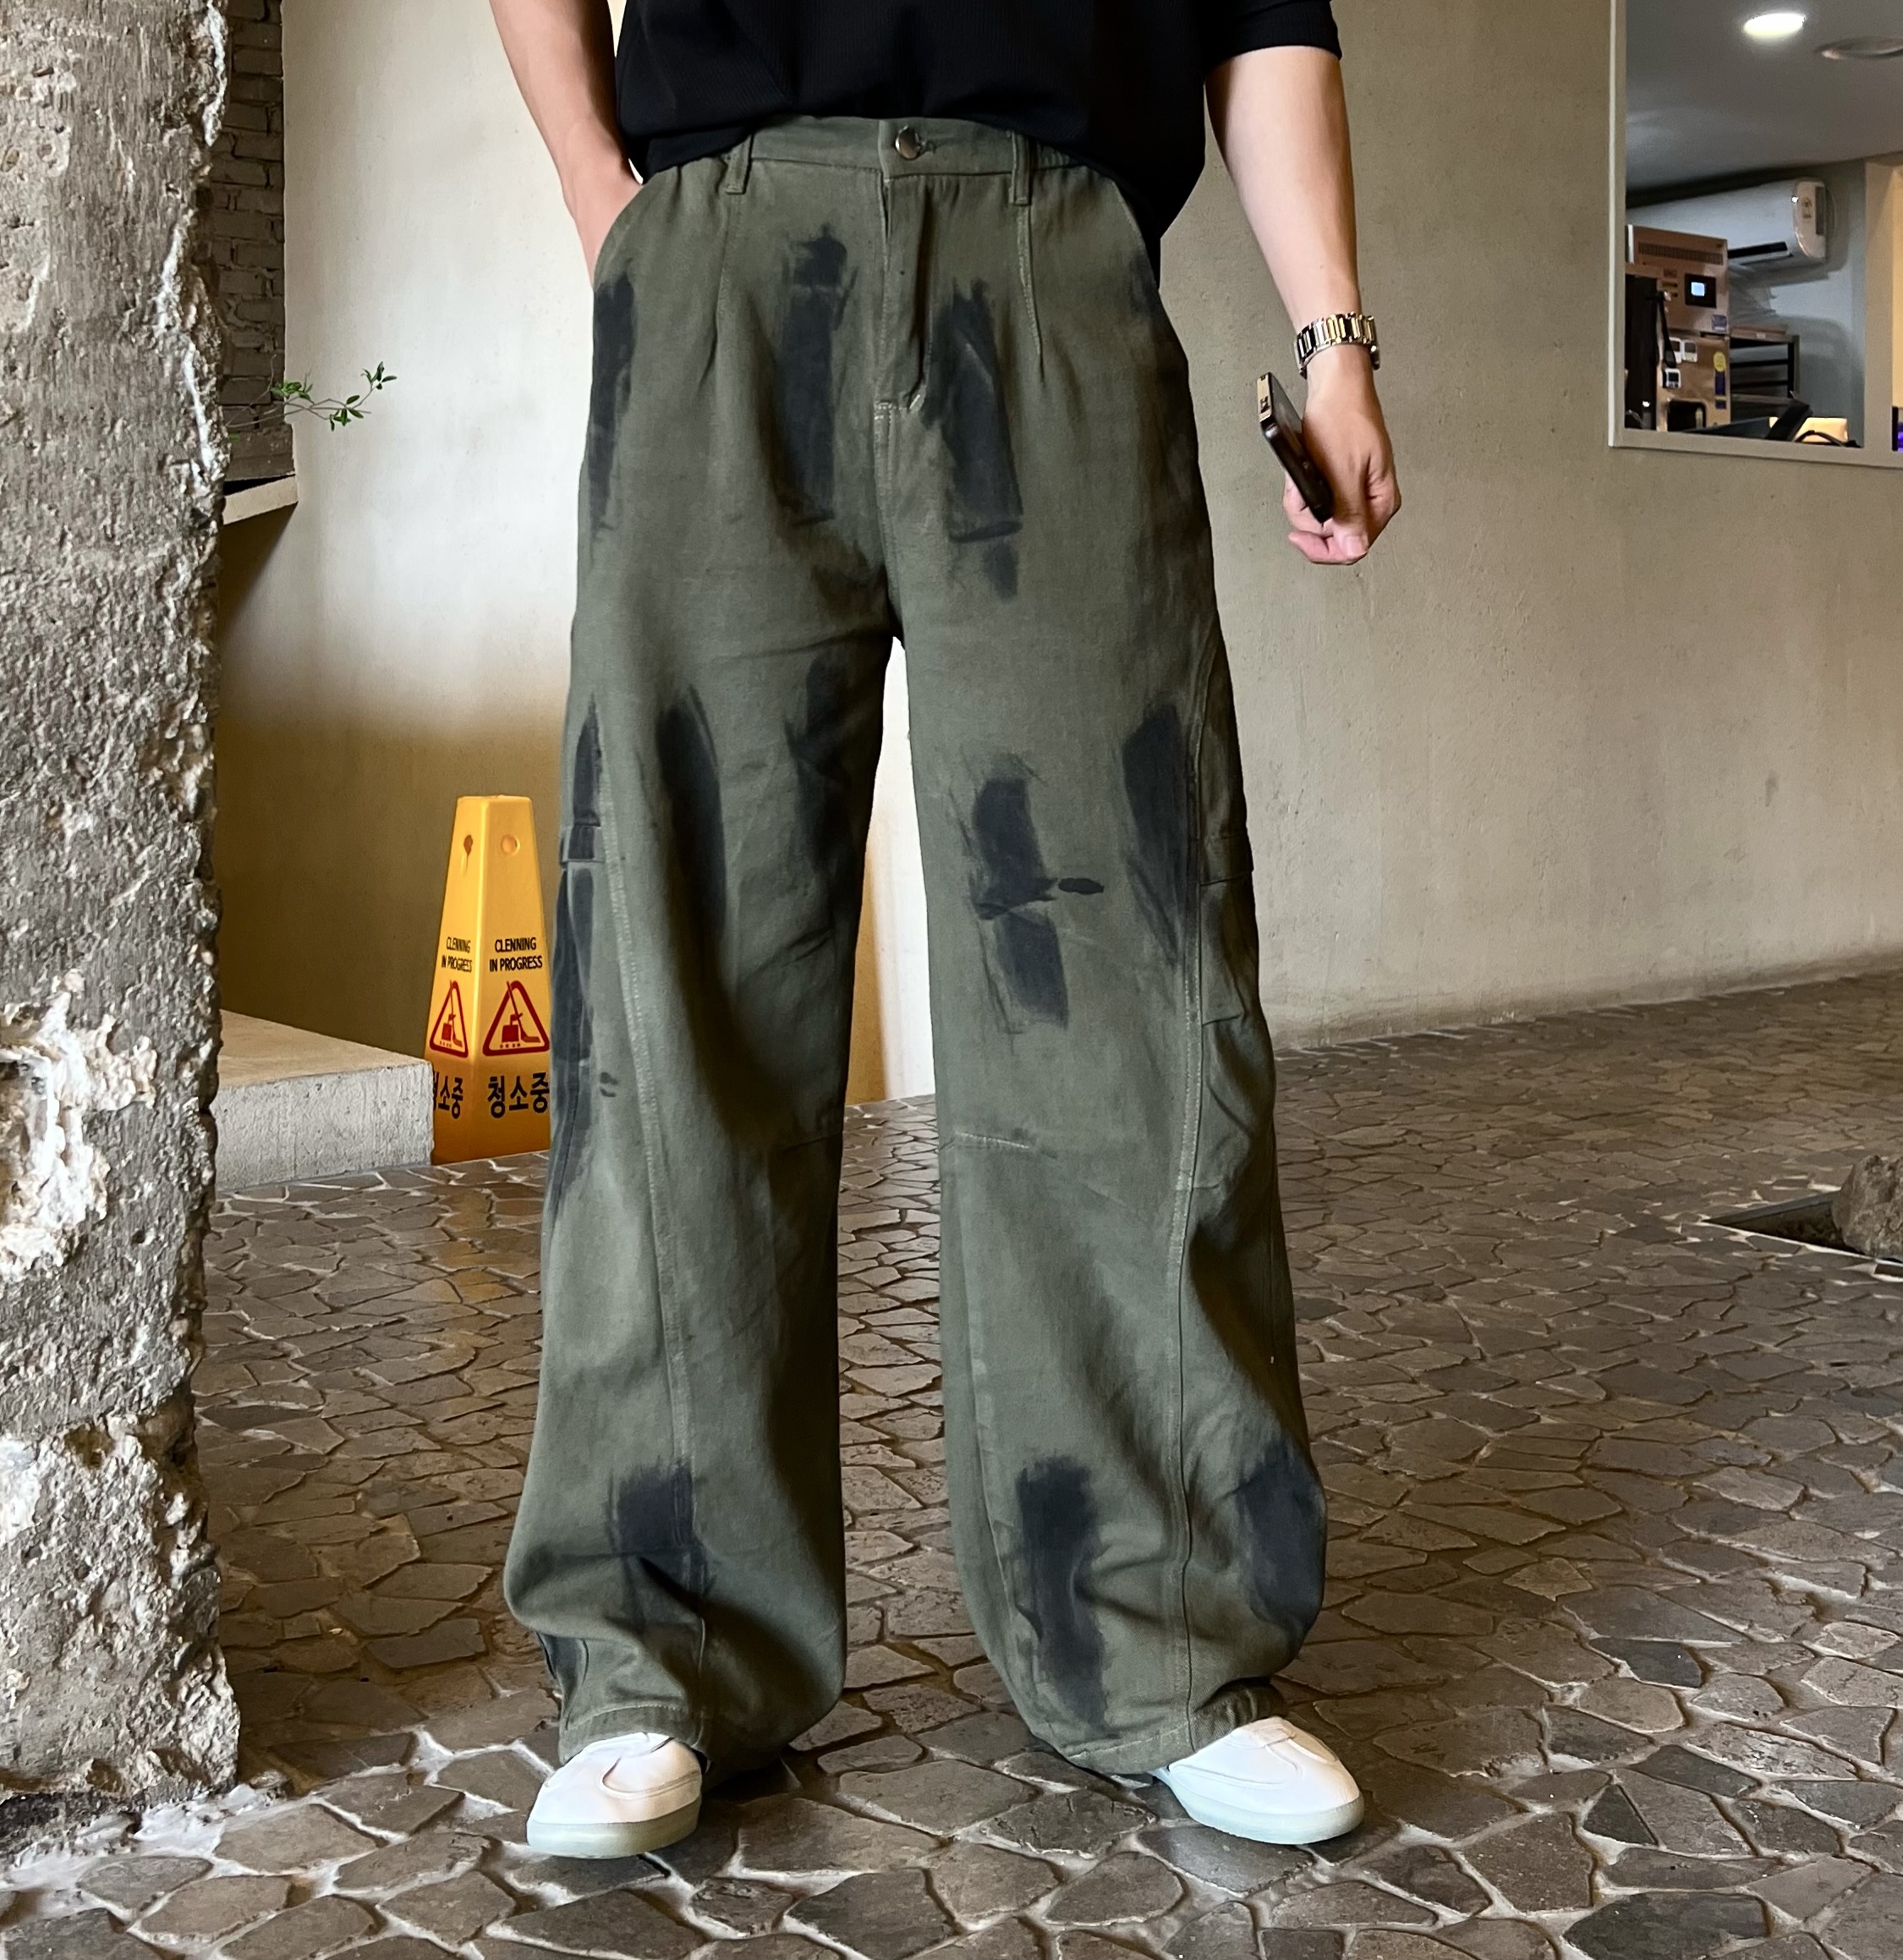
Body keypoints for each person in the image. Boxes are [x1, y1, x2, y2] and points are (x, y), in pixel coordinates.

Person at [487, 0, 1400, 1856]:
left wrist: (1329, 334)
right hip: (720, 241)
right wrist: (608, 202)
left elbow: (1260, 9)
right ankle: (662, 1651)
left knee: (1127, 968)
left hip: (1053, 256)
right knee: (673, 959)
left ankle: (1160, 1637)